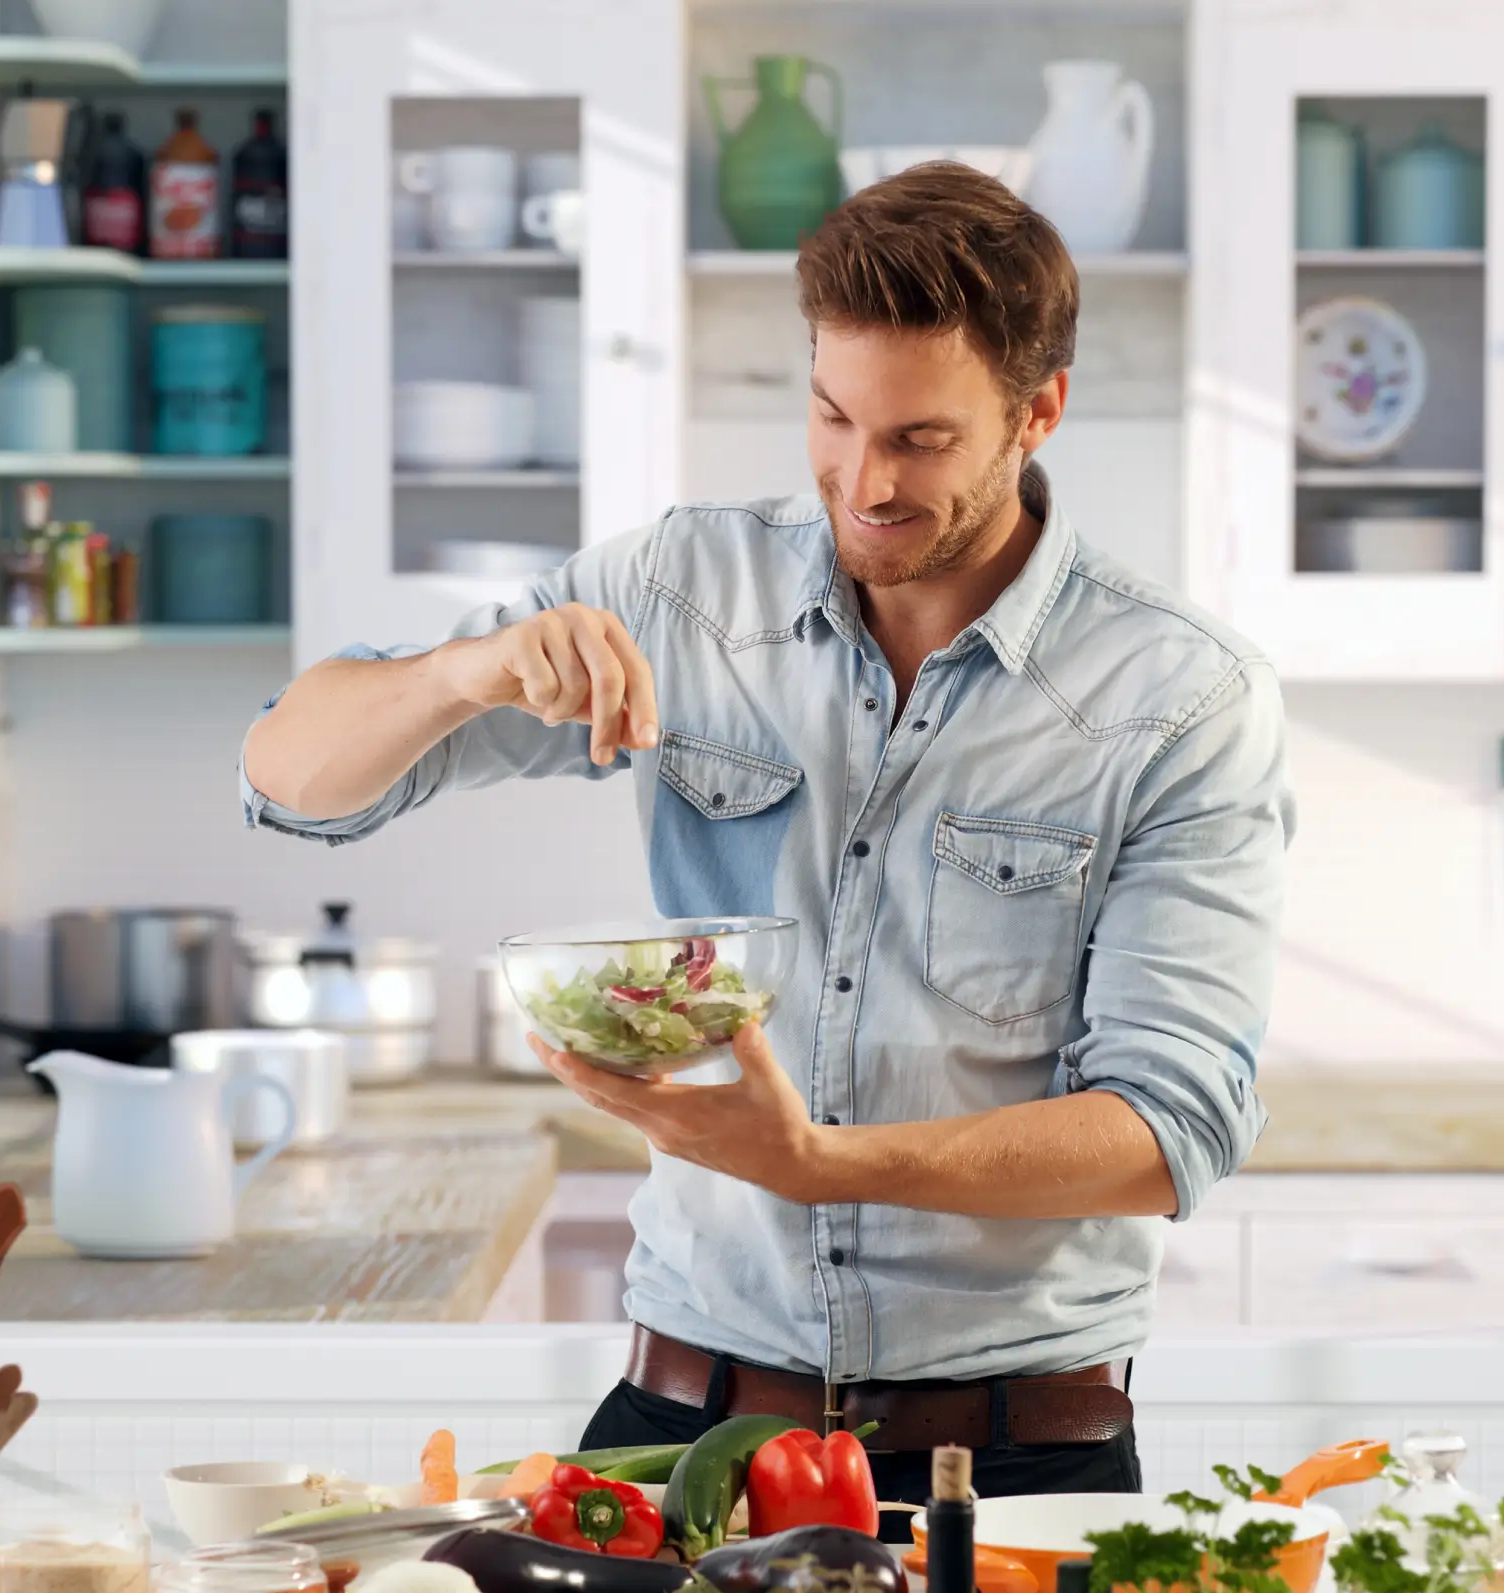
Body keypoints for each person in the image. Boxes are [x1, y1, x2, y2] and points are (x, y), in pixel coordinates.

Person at [240, 164, 1293, 1504]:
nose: (865, 480)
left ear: (1040, 414)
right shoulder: (679, 593)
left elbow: (1167, 1130)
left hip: (1011, 1454)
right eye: (834, 415)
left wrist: (822, 1166)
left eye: (922, 438)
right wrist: (469, 670)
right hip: (682, 1423)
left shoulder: (1180, 697)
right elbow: (290, 775)